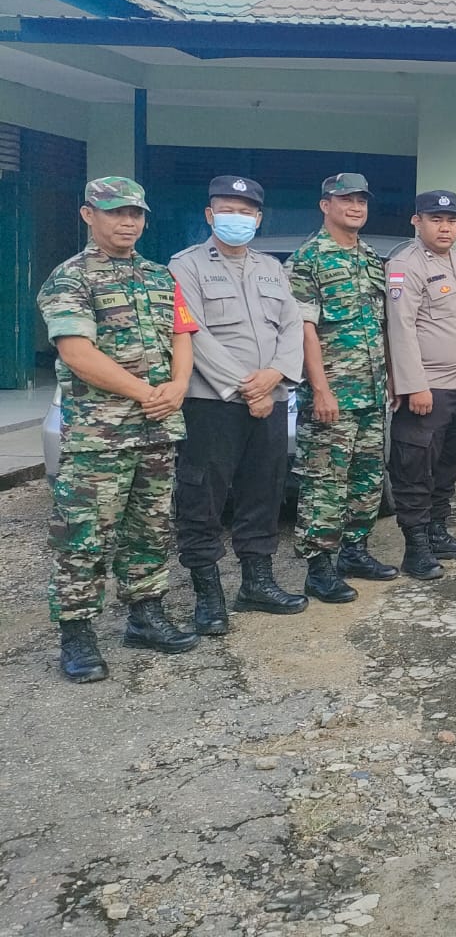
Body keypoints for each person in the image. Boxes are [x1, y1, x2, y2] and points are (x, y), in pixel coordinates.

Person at [39, 176, 201, 683]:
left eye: (135, 213)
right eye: (115, 212)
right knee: (84, 536)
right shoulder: (70, 279)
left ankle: (145, 616)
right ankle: (77, 634)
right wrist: (146, 393)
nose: (128, 222)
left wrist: (178, 385)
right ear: (89, 215)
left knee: (150, 528)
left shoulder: (159, 276)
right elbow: (77, 353)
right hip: (100, 436)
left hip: (157, 429)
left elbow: (182, 335)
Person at [169, 175, 307, 634]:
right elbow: (191, 333)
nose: (237, 218)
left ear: (259, 218)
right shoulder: (185, 266)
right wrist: (247, 387)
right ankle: (208, 597)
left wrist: (275, 376)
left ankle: (257, 583)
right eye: (228, 210)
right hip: (213, 402)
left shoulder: (271, 268)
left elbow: (292, 326)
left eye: (246, 212)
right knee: (202, 497)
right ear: (210, 215)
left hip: (271, 396)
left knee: (263, 491)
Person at [287, 172, 394, 605]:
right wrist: (321, 389)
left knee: (367, 478)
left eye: (361, 201)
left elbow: (381, 326)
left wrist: (389, 381)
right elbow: (304, 329)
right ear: (325, 205)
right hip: (332, 394)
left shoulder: (369, 257)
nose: (355, 207)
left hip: (371, 391)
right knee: (325, 483)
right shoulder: (308, 259)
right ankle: (319, 569)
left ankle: (355, 552)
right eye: (345, 199)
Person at [386, 190, 456, 580]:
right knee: (415, 468)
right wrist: (414, 385)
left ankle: (437, 532)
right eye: (436, 220)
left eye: (452, 220)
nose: (445, 228)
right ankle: (416, 549)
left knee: (450, 463)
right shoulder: (405, 264)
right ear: (417, 221)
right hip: (428, 387)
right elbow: (401, 327)